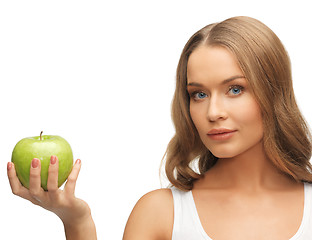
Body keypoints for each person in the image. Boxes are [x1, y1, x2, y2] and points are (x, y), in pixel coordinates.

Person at [7, 16, 312, 240]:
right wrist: (76, 220)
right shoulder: (162, 213)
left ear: (273, 92)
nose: (213, 112)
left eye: (235, 89)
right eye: (199, 94)